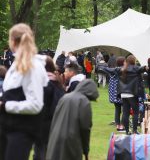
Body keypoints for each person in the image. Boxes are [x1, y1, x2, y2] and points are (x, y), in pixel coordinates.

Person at [0, 23, 48, 160]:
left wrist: (6, 106)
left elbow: (35, 104)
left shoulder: (33, 66)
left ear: (12, 41)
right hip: (6, 127)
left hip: (21, 132)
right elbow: (12, 94)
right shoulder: (16, 65)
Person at [46, 79, 99, 160]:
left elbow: (55, 118)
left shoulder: (65, 97)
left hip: (55, 137)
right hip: (71, 141)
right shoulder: (84, 101)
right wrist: (86, 150)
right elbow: (85, 128)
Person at [34, 56, 65, 160]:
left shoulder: (45, 84)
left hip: (44, 122)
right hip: (57, 123)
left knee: (40, 151)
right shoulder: (58, 82)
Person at [107, 57, 125, 131]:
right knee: (125, 110)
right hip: (121, 92)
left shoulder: (113, 70)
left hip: (114, 94)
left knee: (117, 109)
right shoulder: (122, 70)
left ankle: (117, 124)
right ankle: (122, 124)